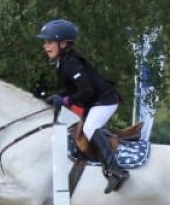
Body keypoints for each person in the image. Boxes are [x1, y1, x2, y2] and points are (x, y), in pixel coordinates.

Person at [36, 18, 129, 193]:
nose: (45, 46)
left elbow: (86, 90)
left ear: (63, 43)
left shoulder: (71, 63)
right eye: (45, 42)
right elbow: (72, 89)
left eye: (49, 42)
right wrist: (58, 96)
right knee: (64, 122)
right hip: (94, 102)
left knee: (89, 127)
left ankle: (116, 171)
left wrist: (65, 100)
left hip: (105, 101)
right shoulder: (63, 62)